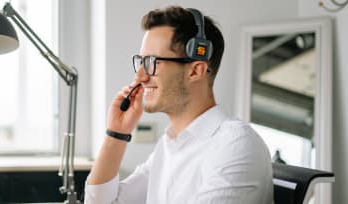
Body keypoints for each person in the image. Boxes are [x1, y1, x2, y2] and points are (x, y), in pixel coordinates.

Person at [84, 6, 273, 204]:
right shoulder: (170, 145)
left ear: (196, 71)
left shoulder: (235, 146)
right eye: (141, 61)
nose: (140, 76)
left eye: (152, 62)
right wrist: (117, 133)